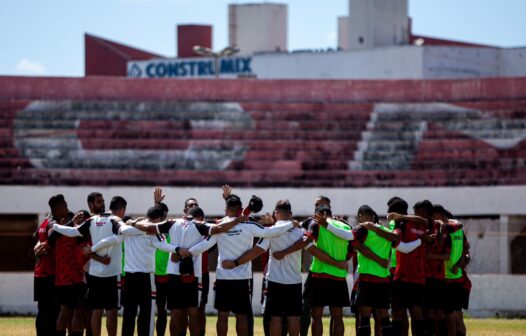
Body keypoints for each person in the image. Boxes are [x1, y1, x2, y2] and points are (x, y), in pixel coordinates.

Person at [180, 194, 301, 336]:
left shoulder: (220, 226)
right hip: (242, 278)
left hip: (223, 276)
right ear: (241, 209)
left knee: (222, 315)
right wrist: (292, 223)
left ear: (226, 210)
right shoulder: (249, 225)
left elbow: (205, 245)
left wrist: (185, 252)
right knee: (241, 316)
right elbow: (271, 232)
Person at [87, 205, 180, 336]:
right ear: (158, 219)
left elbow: (112, 239)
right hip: (146, 278)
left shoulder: (128, 229)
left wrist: (92, 249)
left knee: (129, 313)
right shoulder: (153, 232)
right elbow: (163, 245)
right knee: (146, 314)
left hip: (129, 278)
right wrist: (177, 249)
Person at [337, 205, 426, 336]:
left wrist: (329, 224)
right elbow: (405, 248)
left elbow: (347, 236)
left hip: (367, 278)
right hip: (383, 280)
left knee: (364, 318)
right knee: (384, 317)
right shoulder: (387, 232)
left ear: (361, 216)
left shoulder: (363, 230)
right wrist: (420, 240)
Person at [52, 194, 126, 336]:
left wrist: (56, 227)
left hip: (92, 273)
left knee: (94, 310)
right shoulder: (104, 220)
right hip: (99, 273)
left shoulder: (93, 220)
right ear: (91, 204)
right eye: (99, 201)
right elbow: (79, 242)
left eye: (103, 201)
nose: (102, 203)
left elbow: (74, 234)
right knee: (104, 310)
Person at [388, 200, 433, 336]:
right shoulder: (420, 225)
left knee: (404, 313)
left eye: (419, 212)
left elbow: (403, 246)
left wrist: (399, 218)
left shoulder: (405, 223)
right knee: (410, 312)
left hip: (406, 275)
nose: (417, 215)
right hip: (412, 275)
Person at [33, 195, 63, 336]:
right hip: (51, 274)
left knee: (42, 309)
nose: (67, 208)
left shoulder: (44, 223)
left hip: (40, 273)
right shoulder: (53, 223)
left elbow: (36, 236)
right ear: (58, 208)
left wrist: (38, 245)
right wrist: (45, 244)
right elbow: (54, 234)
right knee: (53, 310)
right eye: (65, 205)